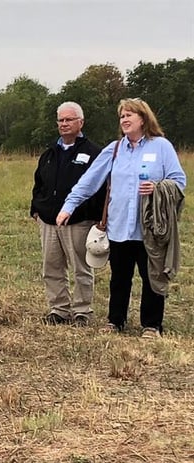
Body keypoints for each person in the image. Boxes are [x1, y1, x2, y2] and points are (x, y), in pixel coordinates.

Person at [56, 98, 186, 337]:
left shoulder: (161, 147)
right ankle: (115, 321)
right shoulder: (114, 149)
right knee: (119, 277)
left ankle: (151, 325)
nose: (124, 120)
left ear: (143, 119)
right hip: (118, 227)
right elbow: (89, 181)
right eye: (122, 116)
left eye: (129, 115)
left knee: (151, 277)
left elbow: (179, 182)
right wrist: (68, 207)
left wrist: (158, 187)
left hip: (149, 227)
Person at [31, 101, 103, 327]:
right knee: (51, 267)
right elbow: (39, 183)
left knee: (81, 267)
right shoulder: (49, 153)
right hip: (49, 221)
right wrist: (36, 208)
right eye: (61, 120)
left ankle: (82, 311)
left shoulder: (93, 153)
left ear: (80, 122)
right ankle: (58, 309)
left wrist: (97, 217)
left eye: (69, 119)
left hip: (79, 221)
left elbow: (101, 186)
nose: (64, 124)